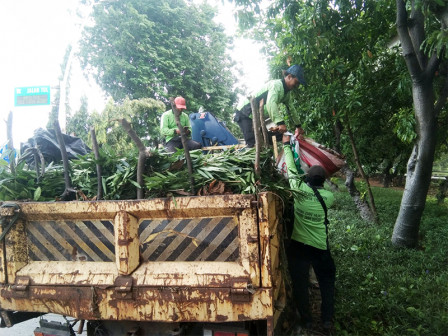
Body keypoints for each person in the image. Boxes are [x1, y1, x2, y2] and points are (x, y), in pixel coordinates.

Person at [282, 133, 336, 332]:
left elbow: (291, 170)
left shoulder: (299, 191)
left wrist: (287, 146)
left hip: (299, 248)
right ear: (323, 181)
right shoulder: (329, 197)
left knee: (300, 285)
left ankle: (306, 320)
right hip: (320, 248)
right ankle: (327, 319)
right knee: (327, 282)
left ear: (307, 179)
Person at [234, 64, 306, 147]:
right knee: (253, 143)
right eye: (296, 82)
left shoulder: (287, 93)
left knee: (268, 139)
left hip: (255, 117)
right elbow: (271, 104)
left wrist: (298, 126)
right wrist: (280, 123)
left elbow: (291, 109)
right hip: (245, 112)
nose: (296, 86)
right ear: (289, 77)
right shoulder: (276, 85)